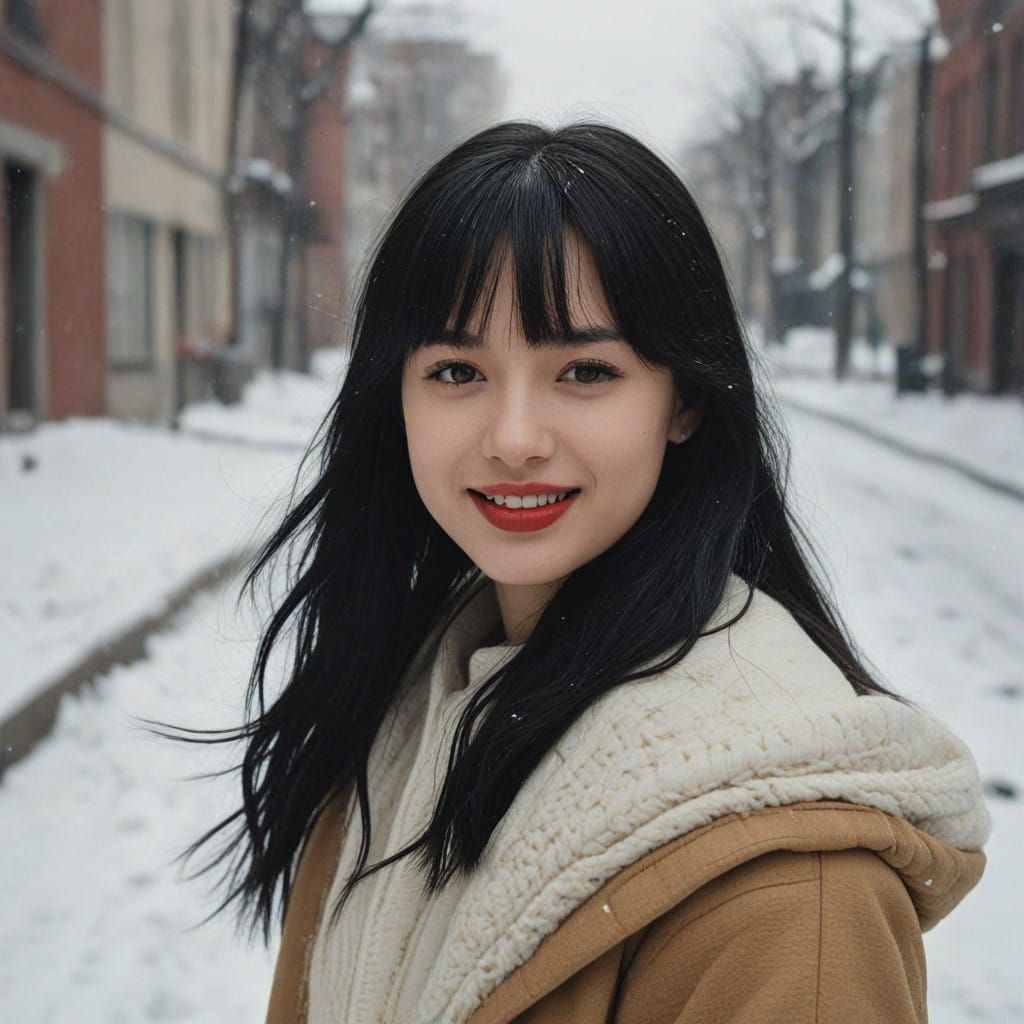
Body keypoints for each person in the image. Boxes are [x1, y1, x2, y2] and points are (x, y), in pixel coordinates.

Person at [181, 121, 990, 1023]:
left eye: (585, 370)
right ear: (394, 396)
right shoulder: (400, 720)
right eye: (456, 370)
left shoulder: (788, 903)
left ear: (681, 398)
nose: (515, 438)